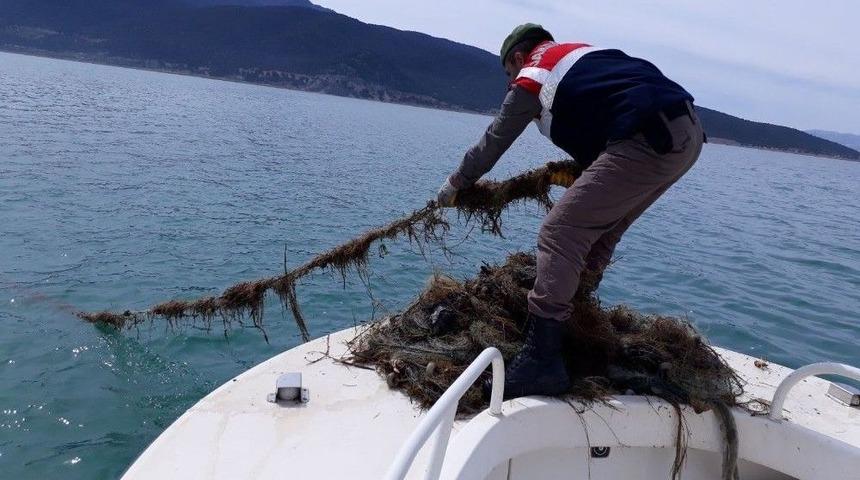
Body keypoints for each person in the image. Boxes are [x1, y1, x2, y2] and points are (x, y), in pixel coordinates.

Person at [436, 24, 705, 399]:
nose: (510, 82)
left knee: (560, 231)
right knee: (601, 232)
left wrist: (457, 183)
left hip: (647, 136)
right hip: (684, 135)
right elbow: (614, 108)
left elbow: (495, 137)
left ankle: (542, 360)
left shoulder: (533, 73)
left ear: (518, 57)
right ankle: (574, 323)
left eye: (508, 73)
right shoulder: (578, 57)